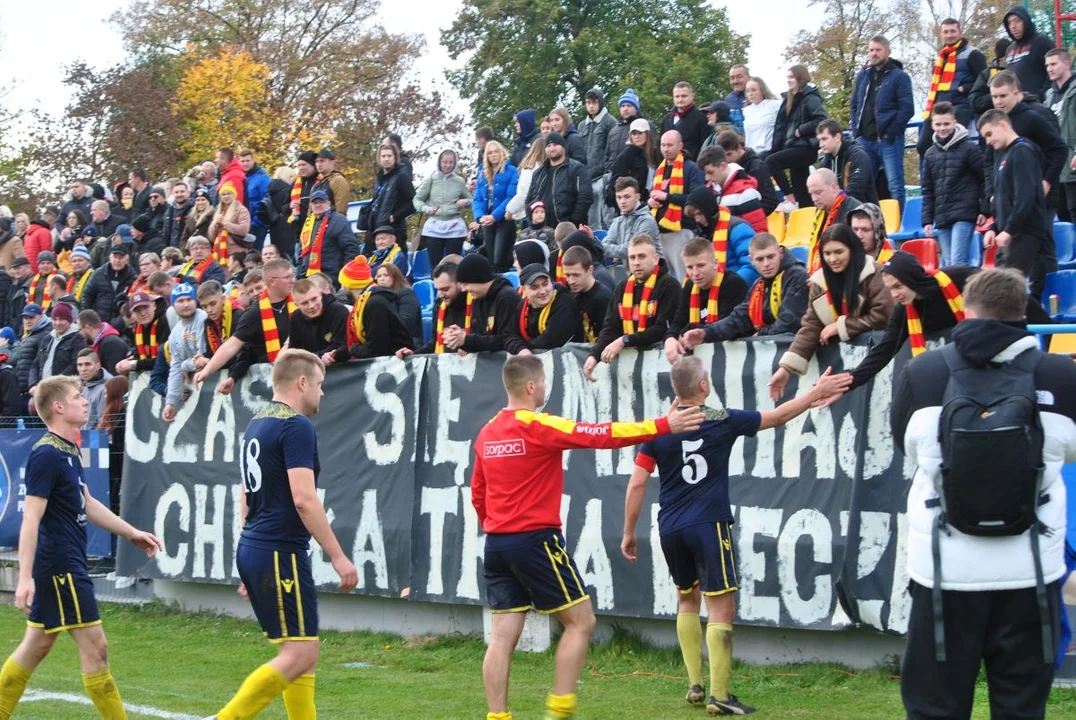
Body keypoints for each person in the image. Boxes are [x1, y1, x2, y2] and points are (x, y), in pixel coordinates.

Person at [472, 354, 705, 720]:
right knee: (581, 622)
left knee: (501, 638)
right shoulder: (538, 426)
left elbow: (478, 493)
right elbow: (601, 436)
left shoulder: (487, 433)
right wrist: (663, 425)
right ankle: (559, 711)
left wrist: (496, 522)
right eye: (544, 382)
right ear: (532, 386)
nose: (545, 388)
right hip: (535, 541)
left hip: (497, 544)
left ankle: (497, 716)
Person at [890, 268, 1076, 719]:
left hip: (944, 574)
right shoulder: (1060, 374)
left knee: (935, 709)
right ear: (1023, 312)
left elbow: (906, 447)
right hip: (1030, 572)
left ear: (967, 310)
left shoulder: (923, 371)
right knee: (1020, 707)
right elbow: (1069, 450)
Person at [622, 355, 849, 716]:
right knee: (721, 604)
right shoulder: (720, 419)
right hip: (709, 524)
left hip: (670, 527)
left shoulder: (659, 429)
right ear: (703, 386)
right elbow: (776, 417)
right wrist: (815, 392)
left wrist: (629, 531)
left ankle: (695, 684)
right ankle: (721, 695)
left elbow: (636, 483)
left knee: (686, 599)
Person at [204, 349, 357, 719]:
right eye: (319, 385)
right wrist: (338, 555)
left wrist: (251, 561)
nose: (322, 393)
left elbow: (245, 495)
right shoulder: (295, 425)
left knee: (301, 652)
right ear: (302, 382)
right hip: (278, 550)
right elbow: (304, 500)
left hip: (258, 546)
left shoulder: (257, 422)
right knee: (301, 653)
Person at [0, 375, 162, 719]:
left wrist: (131, 532)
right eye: (77, 397)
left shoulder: (68, 448)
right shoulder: (46, 454)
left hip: (64, 562)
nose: (86, 400)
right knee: (96, 648)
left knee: (36, 646)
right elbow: (31, 520)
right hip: (61, 565)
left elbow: (87, 502)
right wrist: (24, 578)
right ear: (58, 407)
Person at [768, 223, 893, 399]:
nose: (832, 259)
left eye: (839, 252)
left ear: (852, 249)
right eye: (827, 253)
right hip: (841, 370)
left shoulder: (874, 273)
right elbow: (811, 325)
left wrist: (841, 326)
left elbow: (884, 315)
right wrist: (786, 368)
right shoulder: (818, 283)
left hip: (879, 366)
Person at [680, 233, 809, 347]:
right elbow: (739, 318)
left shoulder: (796, 276)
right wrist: (706, 333)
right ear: (751, 260)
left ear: (780, 253)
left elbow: (789, 323)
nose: (766, 264)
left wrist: (760, 335)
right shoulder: (758, 285)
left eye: (770, 257)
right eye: (760, 259)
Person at [192, 259, 297, 393]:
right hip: (280, 382)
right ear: (272, 281)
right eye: (288, 277)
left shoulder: (301, 299)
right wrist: (206, 371)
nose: (293, 280)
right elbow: (232, 345)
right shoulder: (254, 313)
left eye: (292, 275)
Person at [980, 109, 1052, 299]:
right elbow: (1004, 199)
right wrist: (994, 227)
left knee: (1006, 293)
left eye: (989, 134)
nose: (988, 141)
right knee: (1002, 292)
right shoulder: (1002, 154)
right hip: (1009, 233)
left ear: (1003, 125)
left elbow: (1025, 198)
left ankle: (1042, 326)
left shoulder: (1022, 151)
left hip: (1024, 232)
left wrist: (1008, 230)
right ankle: (1043, 326)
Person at [584, 235, 679, 380]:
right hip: (632, 373)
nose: (636, 262)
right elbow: (610, 328)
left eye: (642, 256)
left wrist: (624, 341)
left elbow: (662, 329)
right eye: (632, 257)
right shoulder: (622, 287)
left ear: (655, 258)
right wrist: (594, 355)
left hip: (663, 369)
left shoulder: (669, 286)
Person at [849, 35, 914, 211]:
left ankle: (899, 222)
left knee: (895, 184)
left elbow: (907, 108)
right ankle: (867, 221)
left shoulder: (900, 77)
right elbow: (855, 104)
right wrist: (855, 130)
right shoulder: (863, 75)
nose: (874, 53)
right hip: (865, 140)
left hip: (888, 140)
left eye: (878, 50)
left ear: (888, 51)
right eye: (871, 50)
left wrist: (890, 131)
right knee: (864, 183)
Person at [663, 237, 749, 364]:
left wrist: (687, 330)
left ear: (715, 263)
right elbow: (678, 321)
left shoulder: (734, 284)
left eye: (700, 265)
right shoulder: (689, 286)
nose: (695, 273)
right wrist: (670, 338)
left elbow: (725, 325)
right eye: (689, 267)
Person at [921, 102, 985, 266]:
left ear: (955, 122)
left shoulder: (969, 149)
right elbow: (928, 189)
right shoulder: (930, 154)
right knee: (949, 264)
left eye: (946, 124)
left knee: (957, 261)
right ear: (932, 125)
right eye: (938, 124)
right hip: (943, 216)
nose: (942, 128)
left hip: (965, 213)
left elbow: (985, 178)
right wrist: (927, 219)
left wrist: (984, 209)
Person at [918, 18, 987, 159]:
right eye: (946, 32)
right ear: (941, 34)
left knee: (949, 143)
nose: (949, 35)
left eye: (953, 31)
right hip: (938, 106)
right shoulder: (941, 57)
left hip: (961, 105)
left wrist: (966, 88)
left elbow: (985, 80)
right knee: (923, 146)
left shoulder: (973, 53)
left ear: (960, 33)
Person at [326, 257, 413, 364]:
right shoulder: (363, 301)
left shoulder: (375, 304)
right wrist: (336, 354)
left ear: (349, 285)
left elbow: (377, 349)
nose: (341, 287)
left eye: (342, 283)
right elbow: (356, 343)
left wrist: (352, 349)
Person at [768, 65, 827, 210]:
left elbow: (822, 119)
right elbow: (781, 128)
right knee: (803, 192)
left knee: (771, 161)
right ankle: (805, 212)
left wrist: (801, 130)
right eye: (787, 77)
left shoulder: (810, 97)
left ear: (800, 78)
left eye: (792, 77)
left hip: (806, 147)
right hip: (794, 146)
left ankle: (789, 197)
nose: (788, 81)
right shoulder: (789, 100)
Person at [649, 130, 706, 278]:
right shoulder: (659, 169)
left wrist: (668, 197)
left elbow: (696, 199)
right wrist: (650, 201)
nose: (665, 149)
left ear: (680, 145)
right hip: (660, 232)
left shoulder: (691, 168)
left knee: (684, 278)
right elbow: (653, 193)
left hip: (682, 230)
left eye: (669, 145)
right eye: (662, 145)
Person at [440, 253, 520, 355]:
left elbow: (507, 339)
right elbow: (479, 335)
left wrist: (467, 340)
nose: (463, 289)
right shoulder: (477, 297)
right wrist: (462, 339)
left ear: (477, 278)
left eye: (466, 284)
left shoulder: (507, 297)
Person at [682, 187, 758, 285]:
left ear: (709, 209)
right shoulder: (701, 234)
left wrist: (729, 286)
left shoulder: (738, 228)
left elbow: (751, 265)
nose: (697, 219)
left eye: (700, 213)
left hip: (737, 289)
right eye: (694, 216)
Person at [504, 263, 581, 354]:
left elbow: (549, 341)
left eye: (545, 284)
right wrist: (521, 349)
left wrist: (523, 346)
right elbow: (509, 335)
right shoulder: (523, 306)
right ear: (524, 290)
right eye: (534, 287)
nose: (543, 291)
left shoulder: (565, 303)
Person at [398, 258, 467, 356]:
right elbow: (435, 342)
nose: (441, 294)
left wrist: (469, 344)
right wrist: (414, 354)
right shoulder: (439, 306)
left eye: (445, 289)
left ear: (459, 284)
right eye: (438, 290)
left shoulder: (475, 304)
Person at [414, 149, 472, 266]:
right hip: (434, 227)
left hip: (455, 228)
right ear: (439, 162)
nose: (448, 165)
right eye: (445, 162)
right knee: (435, 266)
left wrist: (465, 201)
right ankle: (436, 284)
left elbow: (473, 201)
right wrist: (427, 209)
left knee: (453, 265)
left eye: (451, 162)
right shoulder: (431, 180)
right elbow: (416, 200)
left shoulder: (459, 181)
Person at [526, 133, 593, 229]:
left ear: (564, 147)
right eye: (548, 146)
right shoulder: (538, 174)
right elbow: (529, 200)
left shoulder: (577, 169)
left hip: (570, 229)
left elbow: (585, 197)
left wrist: (572, 223)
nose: (552, 148)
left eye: (555, 145)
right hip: (542, 231)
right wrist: (533, 223)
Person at [472, 141, 520, 273]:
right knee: (491, 260)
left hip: (504, 220)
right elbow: (477, 198)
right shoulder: (482, 173)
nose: (493, 155)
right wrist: (479, 217)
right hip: (487, 221)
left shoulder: (511, 171)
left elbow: (511, 197)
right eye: (490, 153)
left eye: (496, 152)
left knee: (500, 260)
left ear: (502, 153)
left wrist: (495, 216)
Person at [695, 146, 768, 232]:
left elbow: (759, 230)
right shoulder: (710, 190)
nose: (707, 178)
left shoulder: (745, 192)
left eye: (710, 172)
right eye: (705, 174)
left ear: (723, 166)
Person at [804, 169, 863, 273]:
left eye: (818, 192)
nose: (814, 199)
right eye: (811, 194)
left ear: (834, 188)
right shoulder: (820, 213)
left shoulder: (854, 210)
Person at [298, 190, 360, 283]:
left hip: (332, 276)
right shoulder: (308, 224)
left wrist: (345, 274)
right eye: (315, 203)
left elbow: (351, 248)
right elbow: (301, 250)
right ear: (311, 206)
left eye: (321, 202)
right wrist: (300, 271)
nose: (318, 205)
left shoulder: (339, 220)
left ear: (329, 203)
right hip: (309, 276)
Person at [715, 130, 778, 216]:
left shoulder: (757, 166)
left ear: (739, 148)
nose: (727, 160)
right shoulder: (729, 169)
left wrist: (749, 217)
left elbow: (770, 201)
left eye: (729, 154)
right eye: (724, 156)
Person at [579, 88, 617, 230]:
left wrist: (609, 173)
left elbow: (612, 150)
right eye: (588, 103)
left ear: (600, 102)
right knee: (591, 220)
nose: (591, 106)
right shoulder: (582, 125)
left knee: (607, 218)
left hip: (603, 176)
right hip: (587, 178)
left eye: (594, 102)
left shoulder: (610, 122)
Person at [1045, 48, 1076, 223]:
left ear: (1066, 64)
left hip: (1073, 162)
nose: (1049, 68)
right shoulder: (1048, 96)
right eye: (1047, 65)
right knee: (1062, 215)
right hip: (1058, 166)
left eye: (1053, 64)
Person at [815, 119, 878, 205]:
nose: (820, 144)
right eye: (819, 140)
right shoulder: (825, 163)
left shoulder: (858, 155)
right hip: (838, 212)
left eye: (824, 139)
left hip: (864, 212)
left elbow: (856, 190)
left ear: (837, 137)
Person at [368, 143, 415, 252]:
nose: (386, 159)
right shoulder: (379, 178)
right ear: (379, 158)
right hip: (377, 230)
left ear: (395, 157)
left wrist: (394, 217)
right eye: (383, 156)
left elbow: (413, 203)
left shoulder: (401, 177)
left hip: (395, 231)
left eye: (389, 156)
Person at [29, 302, 86, 391]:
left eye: (62, 319)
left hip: (63, 390)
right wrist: (32, 385)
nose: (58, 323)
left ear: (69, 320)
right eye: (55, 319)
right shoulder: (47, 338)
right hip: (44, 389)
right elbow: (36, 364)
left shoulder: (78, 339)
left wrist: (55, 382)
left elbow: (75, 365)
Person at [285, 278, 349, 356]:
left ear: (320, 294)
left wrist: (313, 359)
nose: (311, 306)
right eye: (305, 303)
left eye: (314, 299)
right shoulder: (296, 317)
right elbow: (294, 350)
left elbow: (341, 346)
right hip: (311, 364)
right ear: (297, 305)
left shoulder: (338, 311)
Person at [603, 177, 662, 262]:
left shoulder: (647, 221)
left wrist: (598, 245)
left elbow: (630, 250)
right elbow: (606, 244)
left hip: (654, 273)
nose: (622, 201)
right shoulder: (618, 221)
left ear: (637, 197)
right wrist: (594, 241)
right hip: (631, 273)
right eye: (619, 197)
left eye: (627, 197)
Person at [561, 245, 611, 343]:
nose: (571, 281)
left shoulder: (603, 299)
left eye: (576, 275)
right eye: (567, 275)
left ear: (590, 270)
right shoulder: (574, 294)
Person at [605, 119, 658, 209]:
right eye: (634, 134)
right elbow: (615, 184)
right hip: (633, 206)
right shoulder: (626, 155)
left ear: (647, 134)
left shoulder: (655, 154)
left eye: (640, 133)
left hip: (652, 202)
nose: (637, 136)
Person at [1002, 6, 1053, 99]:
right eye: (1009, 23)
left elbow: (1054, 71)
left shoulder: (1041, 42)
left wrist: (1041, 96)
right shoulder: (1009, 49)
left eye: (1017, 21)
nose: (1013, 26)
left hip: (1037, 105)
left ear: (1025, 21)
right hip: (1015, 105)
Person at [81, 246, 137, 325]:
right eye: (115, 257)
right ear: (110, 258)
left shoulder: (133, 278)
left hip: (122, 325)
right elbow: (87, 296)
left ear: (127, 260)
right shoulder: (98, 274)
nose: (117, 260)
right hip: (98, 323)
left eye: (121, 257)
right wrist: (87, 318)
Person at [605, 89, 651, 177]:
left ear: (636, 108)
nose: (625, 109)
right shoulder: (614, 130)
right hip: (613, 177)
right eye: (622, 106)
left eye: (629, 105)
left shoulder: (645, 125)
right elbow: (607, 155)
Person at [375, 263, 422, 346]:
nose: (382, 279)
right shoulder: (377, 298)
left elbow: (406, 321)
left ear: (395, 276)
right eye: (379, 276)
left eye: (386, 275)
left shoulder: (407, 293)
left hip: (408, 342)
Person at [661, 81, 708, 160]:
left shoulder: (700, 118)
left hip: (691, 164)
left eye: (684, 96)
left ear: (692, 96)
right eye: (677, 96)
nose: (680, 99)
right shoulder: (666, 119)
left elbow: (704, 146)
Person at [506, 137, 548, 225]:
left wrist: (510, 210)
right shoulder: (548, 169)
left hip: (530, 212)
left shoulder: (530, 169)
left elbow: (524, 193)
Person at [208, 181, 252, 262]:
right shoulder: (218, 211)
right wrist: (214, 224)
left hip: (236, 250)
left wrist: (226, 224)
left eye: (229, 193)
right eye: (223, 194)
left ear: (234, 195)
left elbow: (244, 229)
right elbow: (211, 237)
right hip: (219, 252)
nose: (226, 196)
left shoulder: (241, 210)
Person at [969, 38, 1012, 117]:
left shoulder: (1017, 70)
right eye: (1009, 56)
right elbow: (974, 101)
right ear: (1001, 57)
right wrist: (997, 95)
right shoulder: (986, 74)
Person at [76, 309, 126, 376]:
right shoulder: (101, 343)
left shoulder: (110, 344)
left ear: (87, 327)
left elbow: (115, 377)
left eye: (80, 330)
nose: (79, 333)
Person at [288, 152, 320, 254]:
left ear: (313, 165)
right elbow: (283, 206)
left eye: (304, 165)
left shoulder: (322, 182)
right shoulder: (295, 184)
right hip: (299, 234)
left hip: (317, 232)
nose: (301, 168)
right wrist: (290, 206)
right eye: (299, 165)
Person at [741, 77, 782, 157]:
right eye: (748, 91)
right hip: (751, 152)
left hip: (768, 151)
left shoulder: (775, 105)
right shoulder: (746, 110)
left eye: (753, 90)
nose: (750, 93)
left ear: (762, 90)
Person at [239, 151, 272, 249]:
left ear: (253, 161)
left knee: (255, 254)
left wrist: (256, 222)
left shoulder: (262, 178)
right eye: (242, 161)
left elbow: (267, 202)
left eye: (247, 161)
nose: (245, 163)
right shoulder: (241, 177)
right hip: (243, 223)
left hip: (257, 224)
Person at [77, 349, 112, 430]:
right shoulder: (85, 386)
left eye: (87, 364)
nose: (83, 369)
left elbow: (104, 426)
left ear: (98, 366)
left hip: (97, 440)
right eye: (80, 365)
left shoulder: (105, 389)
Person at [311, 148, 351, 214]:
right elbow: (311, 210)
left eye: (322, 161)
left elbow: (341, 209)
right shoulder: (316, 184)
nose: (319, 164)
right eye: (317, 161)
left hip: (332, 221)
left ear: (332, 163)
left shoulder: (338, 180)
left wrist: (336, 222)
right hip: (317, 222)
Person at [6, 257, 32, 331]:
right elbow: (8, 308)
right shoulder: (13, 287)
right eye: (14, 269)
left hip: (25, 328)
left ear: (28, 267)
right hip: (12, 327)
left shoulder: (34, 285)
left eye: (19, 268)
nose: (16, 271)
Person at [726, 64, 750, 133]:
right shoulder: (728, 100)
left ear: (749, 77)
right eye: (732, 78)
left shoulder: (758, 97)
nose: (735, 81)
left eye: (739, 77)